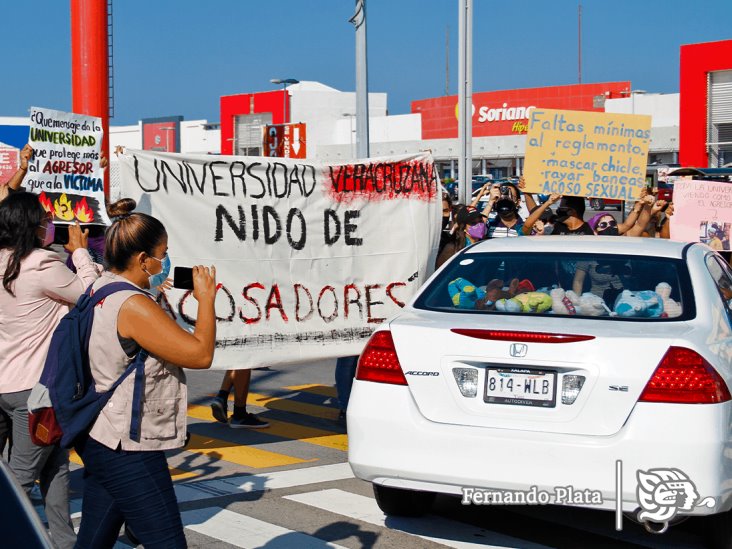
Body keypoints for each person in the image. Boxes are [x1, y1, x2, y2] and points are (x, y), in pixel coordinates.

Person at [73, 198, 217, 547]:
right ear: (142, 260)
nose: (165, 261)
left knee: (94, 539)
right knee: (167, 541)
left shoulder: (101, 287)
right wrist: (207, 300)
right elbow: (200, 355)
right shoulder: (135, 305)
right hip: (128, 443)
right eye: (162, 253)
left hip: (101, 433)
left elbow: (88, 272)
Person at [0, 192, 102, 549]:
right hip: (34, 392)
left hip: (7, 385)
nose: (49, 224)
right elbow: (91, 293)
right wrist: (79, 251)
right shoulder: (41, 263)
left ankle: (62, 541)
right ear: (32, 225)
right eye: (44, 219)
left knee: (56, 467)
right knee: (19, 483)